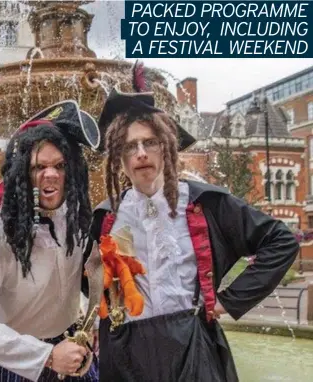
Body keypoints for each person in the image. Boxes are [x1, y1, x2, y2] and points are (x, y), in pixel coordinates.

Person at [90, 66, 300, 381]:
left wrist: (228, 300)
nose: (141, 153)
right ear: (119, 157)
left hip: (189, 340)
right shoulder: (105, 216)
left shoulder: (204, 203)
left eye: (150, 142)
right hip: (127, 350)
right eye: (130, 146)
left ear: (167, 147)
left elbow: (281, 242)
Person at [0, 100, 101, 381]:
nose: (51, 174)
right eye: (39, 167)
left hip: (72, 352)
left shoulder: (77, 217)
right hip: (18, 365)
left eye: (60, 165)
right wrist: (45, 356)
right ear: (24, 172)